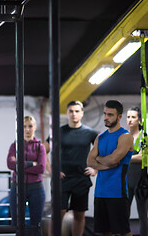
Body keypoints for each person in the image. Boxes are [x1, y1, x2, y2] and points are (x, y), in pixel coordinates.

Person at [44, 101, 98, 236]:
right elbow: (42, 151)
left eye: (77, 111)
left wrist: (96, 169)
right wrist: (51, 171)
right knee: (58, 214)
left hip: (81, 179)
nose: (74, 114)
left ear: (82, 113)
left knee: (79, 215)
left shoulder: (90, 133)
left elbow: (102, 151)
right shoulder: (58, 131)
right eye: (71, 111)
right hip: (62, 179)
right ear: (67, 113)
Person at [87, 100, 134, 236]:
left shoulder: (125, 137)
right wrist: (105, 163)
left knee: (124, 232)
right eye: (105, 114)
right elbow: (89, 161)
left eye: (110, 115)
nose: (106, 117)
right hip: (100, 193)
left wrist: (99, 159)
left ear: (119, 116)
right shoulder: (100, 137)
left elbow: (114, 159)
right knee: (105, 232)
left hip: (117, 193)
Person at [7, 116, 46, 236]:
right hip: (17, 187)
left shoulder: (40, 147)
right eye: (24, 126)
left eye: (30, 126)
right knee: (17, 225)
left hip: (36, 188)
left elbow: (41, 168)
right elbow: (10, 164)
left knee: (36, 225)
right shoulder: (15, 146)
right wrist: (30, 164)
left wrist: (19, 166)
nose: (27, 129)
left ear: (35, 127)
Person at [126, 107, 148, 236]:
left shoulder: (144, 136)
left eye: (133, 117)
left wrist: (124, 158)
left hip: (141, 181)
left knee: (143, 215)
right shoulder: (123, 136)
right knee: (123, 215)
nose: (130, 120)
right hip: (126, 180)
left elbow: (142, 157)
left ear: (139, 120)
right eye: (128, 117)